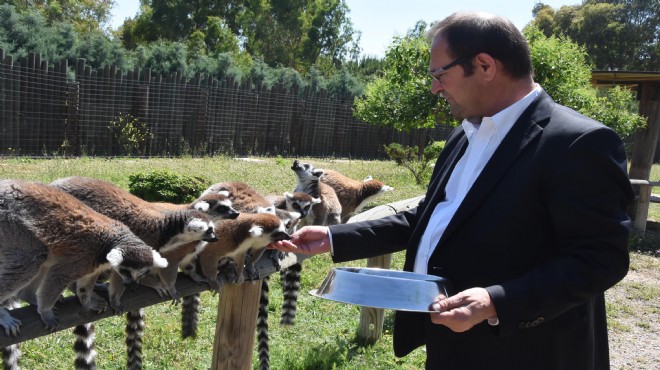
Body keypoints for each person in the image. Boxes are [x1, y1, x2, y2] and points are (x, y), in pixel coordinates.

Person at [269, 11, 634, 370]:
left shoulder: (580, 143)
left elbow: (601, 259)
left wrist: (496, 301)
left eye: (440, 74)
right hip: (452, 345)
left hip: (528, 351)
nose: (434, 87)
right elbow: (433, 216)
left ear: (485, 66)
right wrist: (334, 237)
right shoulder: (464, 134)